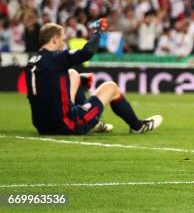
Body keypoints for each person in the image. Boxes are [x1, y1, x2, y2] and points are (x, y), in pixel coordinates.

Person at [25, 19, 163, 135]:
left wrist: (80, 79)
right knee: (111, 87)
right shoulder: (57, 58)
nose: (64, 43)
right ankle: (137, 126)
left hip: (42, 126)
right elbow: (88, 52)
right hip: (66, 125)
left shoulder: (32, 62)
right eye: (62, 40)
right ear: (54, 40)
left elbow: (49, 84)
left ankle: (91, 121)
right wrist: (98, 32)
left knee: (73, 74)